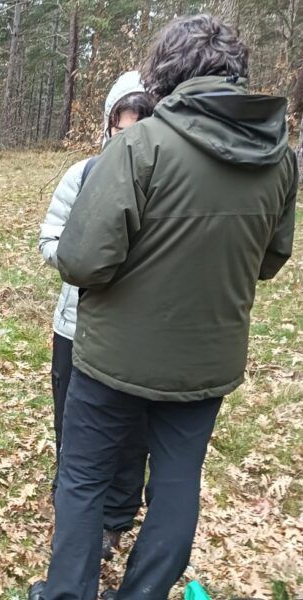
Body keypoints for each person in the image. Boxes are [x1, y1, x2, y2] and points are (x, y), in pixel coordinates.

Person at [34, 14, 297, 600]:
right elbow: (271, 258)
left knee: (82, 479)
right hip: (207, 362)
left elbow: (81, 261)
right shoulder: (281, 158)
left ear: (167, 75)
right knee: (178, 486)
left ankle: (66, 593)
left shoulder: (140, 146)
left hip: (113, 362)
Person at [37, 71, 154, 560]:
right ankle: (74, 505)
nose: (131, 138)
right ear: (109, 125)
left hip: (144, 332)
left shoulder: (170, 180)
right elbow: (51, 241)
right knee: (73, 420)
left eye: (143, 126)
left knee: (134, 433)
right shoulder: (83, 175)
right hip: (77, 326)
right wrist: (87, 261)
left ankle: (115, 518)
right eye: (123, 127)